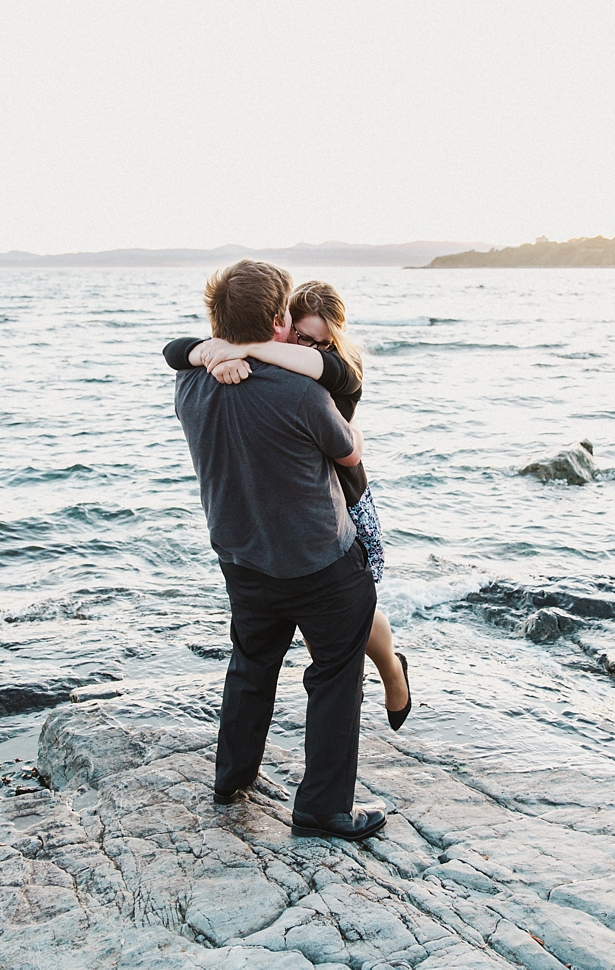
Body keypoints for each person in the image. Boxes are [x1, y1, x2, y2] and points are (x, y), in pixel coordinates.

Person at [169, 259, 386, 841]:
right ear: (277, 320)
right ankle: (321, 807)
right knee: (335, 674)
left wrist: (212, 352)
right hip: (320, 561)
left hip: (242, 560)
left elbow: (182, 351)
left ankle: (231, 777)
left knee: (252, 665)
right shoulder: (301, 392)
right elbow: (348, 455)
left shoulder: (190, 384)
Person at [164, 281, 412, 730]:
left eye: (320, 339)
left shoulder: (339, 366)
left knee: (349, 611)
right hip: (294, 497)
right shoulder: (268, 355)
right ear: (285, 324)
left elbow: (321, 377)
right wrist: (213, 354)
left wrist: (241, 349)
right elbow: (174, 349)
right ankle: (344, 697)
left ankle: (390, 672)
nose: (309, 345)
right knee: (332, 621)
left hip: (344, 494)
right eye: (300, 334)